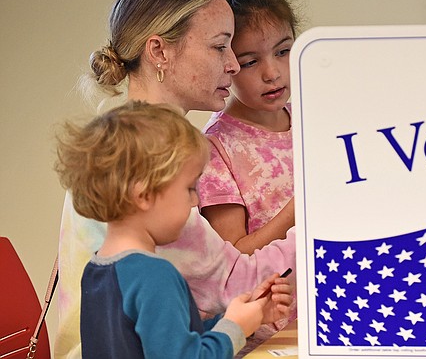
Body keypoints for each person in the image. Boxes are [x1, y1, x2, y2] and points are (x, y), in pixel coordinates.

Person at [55, 0, 296, 359]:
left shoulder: (117, 137)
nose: (234, 65)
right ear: (159, 52)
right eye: (220, 47)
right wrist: (322, 218)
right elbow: (234, 284)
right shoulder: (149, 161)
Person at [54, 101, 293, 359]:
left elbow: (169, 342)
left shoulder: (96, 270)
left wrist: (244, 320)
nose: (195, 201)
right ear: (144, 194)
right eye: (190, 188)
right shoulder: (155, 275)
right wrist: (235, 327)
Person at [197, 0, 299, 356]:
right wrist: (299, 209)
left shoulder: (314, 117)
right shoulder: (215, 148)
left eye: (284, 51)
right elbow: (235, 256)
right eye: (250, 61)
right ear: (226, 62)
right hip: (265, 336)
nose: (272, 73)